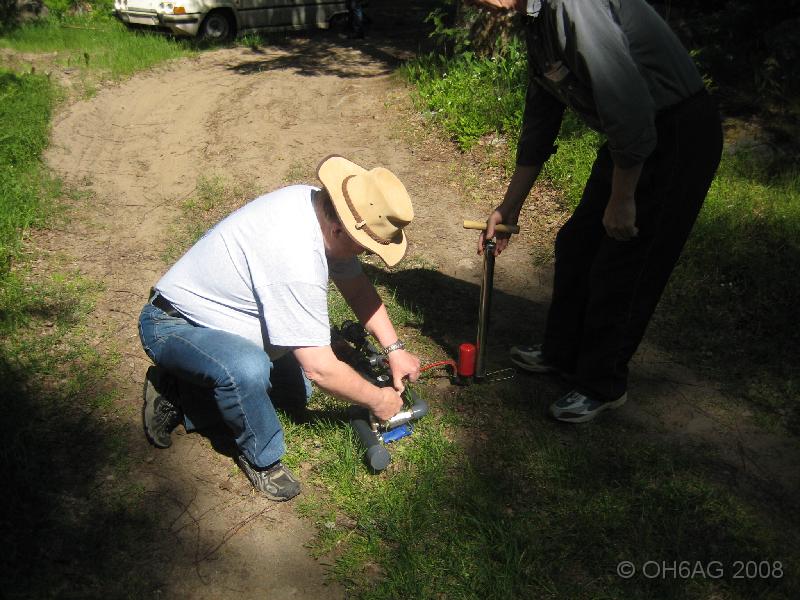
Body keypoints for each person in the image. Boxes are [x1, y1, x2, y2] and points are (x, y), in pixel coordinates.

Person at [471, 0, 723, 422]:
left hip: (675, 132)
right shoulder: (536, 20)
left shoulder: (572, 6)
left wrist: (623, 198)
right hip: (636, 135)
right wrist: (508, 208)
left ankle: (601, 383)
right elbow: (542, 114)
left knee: (625, 259)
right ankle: (562, 352)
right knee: (577, 243)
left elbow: (625, 98)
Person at [138, 156, 421, 500]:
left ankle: (185, 394)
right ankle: (262, 458)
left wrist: (394, 348)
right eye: (366, 247)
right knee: (249, 370)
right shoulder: (296, 255)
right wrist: (379, 401)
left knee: (296, 393)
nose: (366, 254)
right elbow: (321, 369)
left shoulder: (315, 205)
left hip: (226, 324)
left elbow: (357, 287)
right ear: (339, 229)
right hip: (175, 324)